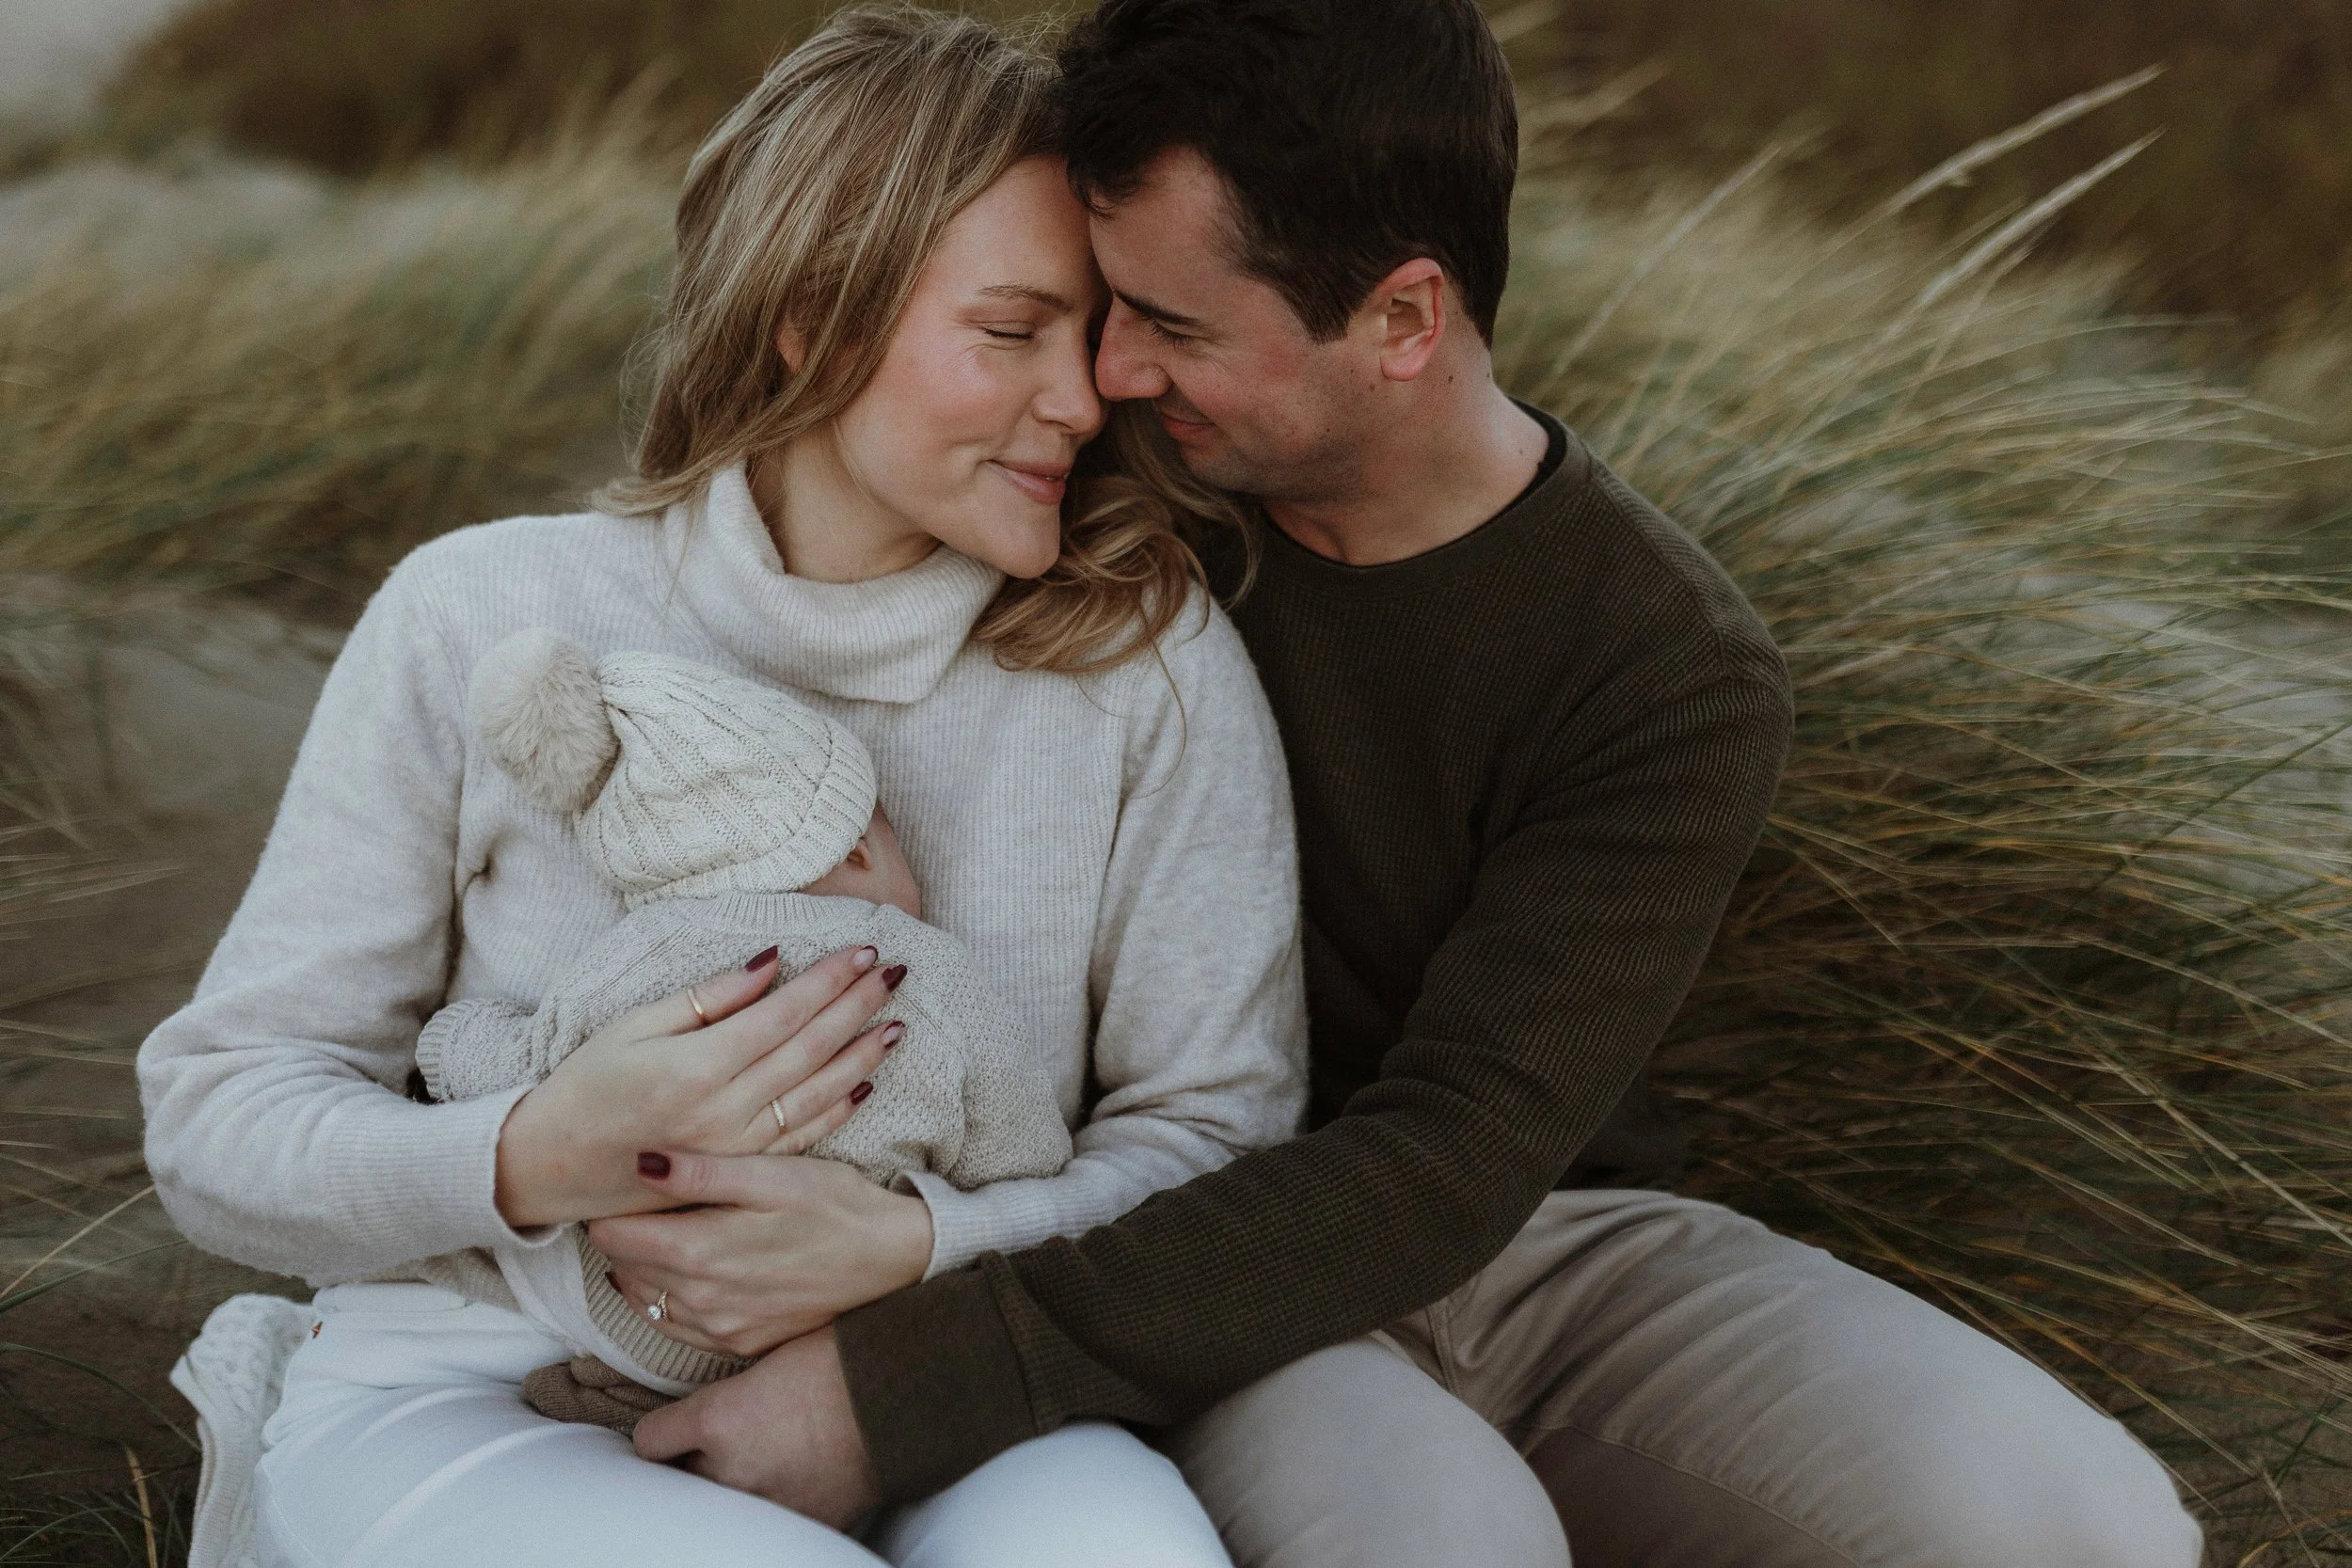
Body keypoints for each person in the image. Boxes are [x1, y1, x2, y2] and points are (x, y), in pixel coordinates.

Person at [620, 3, 2206, 1564]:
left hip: (1536, 1236)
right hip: (1157, 1237)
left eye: (1172, 326)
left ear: (1401, 320)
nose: (1105, 374)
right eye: (1106, 304)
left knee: (2089, 1526)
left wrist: (901, 1390)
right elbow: (766, 542)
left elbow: (1457, 1155)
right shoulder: (1091, 501)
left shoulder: (1666, 665)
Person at [139, 10, 1306, 1567]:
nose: (1084, 400)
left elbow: (1221, 1139)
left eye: (1089, 335)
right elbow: (221, 1114)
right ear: (812, 323)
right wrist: (534, 1151)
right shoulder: (478, 615)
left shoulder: (1144, 667)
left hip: (953, 1380)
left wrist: (918, 1247)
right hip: (484, 1388)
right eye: (1012, 331)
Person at [415, 629, 1077, 1429]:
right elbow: (1026, 1155)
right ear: (861, 842)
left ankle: (611, 1397)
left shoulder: (634, 959)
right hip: (859, 1329)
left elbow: (520, 1066)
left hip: (642, 1314)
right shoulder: (938, 977)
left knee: (580, 1304)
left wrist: (447, 1042)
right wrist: (956, 1218)